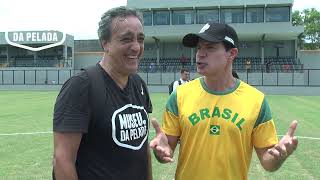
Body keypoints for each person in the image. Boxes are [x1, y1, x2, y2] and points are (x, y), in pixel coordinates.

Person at [150, 22, 298, 180]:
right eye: (199, 47)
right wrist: (161, 151)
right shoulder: (179, 95)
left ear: (232, 53)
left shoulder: (256, 100)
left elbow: (267, 162)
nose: (200, 53)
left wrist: (277, 157)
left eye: (210, 47)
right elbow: (168, 150)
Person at [52, 6, 153, 180]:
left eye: (140, 39)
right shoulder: (81, 86)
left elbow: (142, 151)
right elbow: (62, 161)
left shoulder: (139, 84)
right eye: (126, 39)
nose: (136, 47)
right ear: (104, 43)